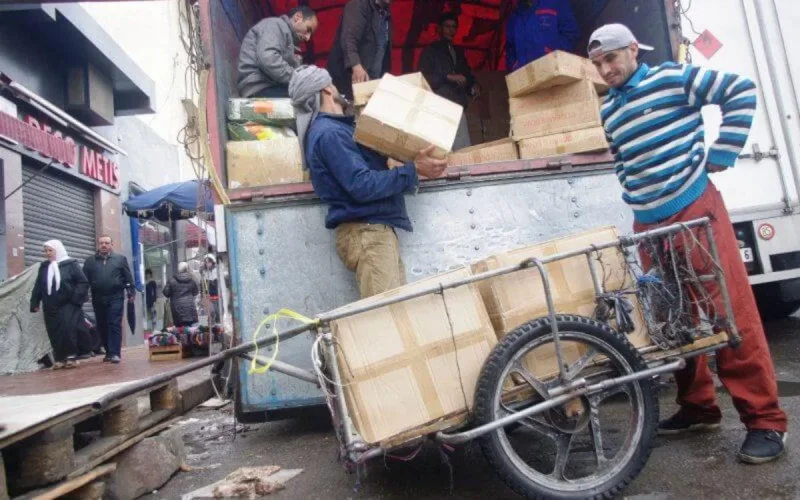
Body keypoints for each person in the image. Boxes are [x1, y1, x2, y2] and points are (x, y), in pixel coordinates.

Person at [588, 23, 788, 464]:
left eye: (611, 59)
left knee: (729, 313)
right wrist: (633, 192)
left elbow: (740, 91)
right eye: (598, 64)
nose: (605, 70)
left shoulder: (672, 78)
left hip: (694, 210)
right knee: (671, 320)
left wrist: (723, 151)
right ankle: (698, 407)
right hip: (649, 224)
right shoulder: (610, 109)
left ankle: (766, 421)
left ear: (633, 50)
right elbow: (621, 158)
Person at [289, 65, 448, 298]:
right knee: (385, 315)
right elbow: (362, 185)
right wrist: (413, 170)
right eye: (333, 84)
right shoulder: (330, 134)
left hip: (373, 231)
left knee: (396, 311)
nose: (337, 88)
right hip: (368, 233)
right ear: (326, 90)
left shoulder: (338, 130)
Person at [418, 13, 478, 151]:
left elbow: (467, 74)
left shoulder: (458, 51)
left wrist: (473, 85)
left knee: (462, 151)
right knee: (441, 152)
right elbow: (423, 78)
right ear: (439, 29)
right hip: (438, 107)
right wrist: (447, 77)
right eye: (447, 26)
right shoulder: (430, 51)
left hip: (457, 106)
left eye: (454, 27)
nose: (451, 30)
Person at [29, 240, 89, 370]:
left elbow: (82, 282)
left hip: (68, 303)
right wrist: (35, 302)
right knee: (54, 331)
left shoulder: (70, 264)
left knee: (68, 329)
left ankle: (71, 356)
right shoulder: (44, 266)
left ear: (58, 250)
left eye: (50, 250)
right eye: (45, 251)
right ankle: (60, 358)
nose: (47, 253)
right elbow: (39, 285)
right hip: (50, 304)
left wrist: (75, 298)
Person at [237, 6, 319, 98]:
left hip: (268, 86)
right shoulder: (275, 25)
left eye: (310, 34)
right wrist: (297, 78)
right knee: (311, 97)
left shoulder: (287, 39)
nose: (308, 38)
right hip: (258, 86)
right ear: (297, 17)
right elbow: (268, 58)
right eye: (308, 30)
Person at [327, 0, 392, 101]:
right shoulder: (359, 5)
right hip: (349, 82)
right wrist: (356, 65)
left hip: (372, 82)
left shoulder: (385, 13)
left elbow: (383, 48)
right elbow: (349, 40)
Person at [83, 235, 134, 364]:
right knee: (102, 325)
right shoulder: (90, 261)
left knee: (114, 323)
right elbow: (84, 280)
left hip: (116, 296)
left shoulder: (120, 259)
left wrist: (130, 291)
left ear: (111, 244)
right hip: (98, 297)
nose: (104, 245)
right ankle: (108, 352)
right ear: (98, 245)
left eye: (106, 243)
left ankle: (115, 353)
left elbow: (127, 277)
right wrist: (83, 294)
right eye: (101, 243)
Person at [506, 0, 579, 71]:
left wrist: (551, 54)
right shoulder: (515, 13)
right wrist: (514, 65)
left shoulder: (557, 2)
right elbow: (510, 46)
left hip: (553, 71)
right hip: (524, 75)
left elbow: (571, 36)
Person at [163, 262, 199, 328]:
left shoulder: (172, 280)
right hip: (190, 309)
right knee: (189, 330)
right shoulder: (192, 279)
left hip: (177, 309)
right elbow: (195, 292)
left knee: (179, 330)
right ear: (187, 269)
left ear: (178, 269)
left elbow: (166, 293)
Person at [202, 255, 220, 323]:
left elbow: (217, 283)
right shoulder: (205, 272)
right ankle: (213, 322)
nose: (207, 264)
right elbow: (205, 284)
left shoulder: (216, 270)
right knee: (210, 310)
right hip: (209, 294)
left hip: (216, 293)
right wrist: (206, 293)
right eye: (206, 262)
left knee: (217, 310)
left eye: (209, 262)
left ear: (212, 262)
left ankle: (218, 321)